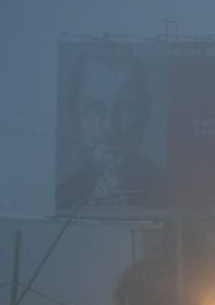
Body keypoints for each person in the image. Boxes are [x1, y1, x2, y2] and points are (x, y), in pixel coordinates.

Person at [56, 50, 164, 210]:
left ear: (145, 111)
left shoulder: (174, 192)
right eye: (94, 108)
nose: (110, 128)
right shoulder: (64, 196)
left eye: (126, 107)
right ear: (73, 111)